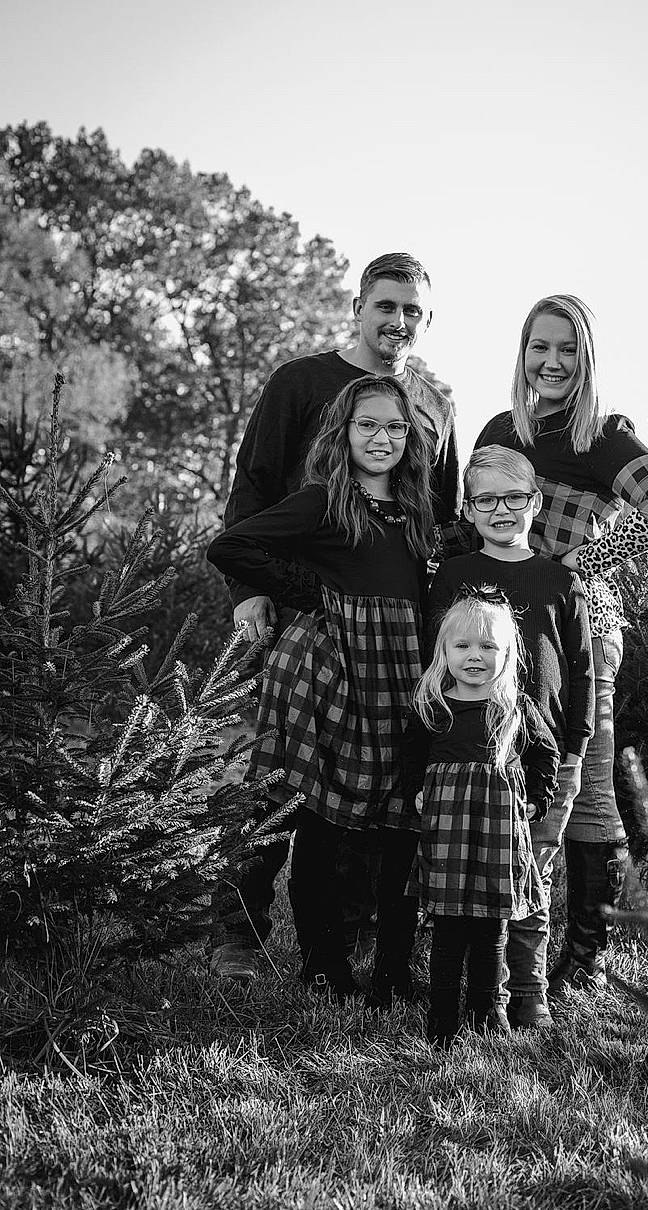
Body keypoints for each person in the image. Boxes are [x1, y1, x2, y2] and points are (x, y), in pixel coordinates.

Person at [212, 252, 460, 980]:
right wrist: (249, 591)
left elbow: (434, 518)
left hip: (392, 630)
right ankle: (240, 934)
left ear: (428, 320)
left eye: (413, 310)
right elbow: (253, 485)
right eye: (386, 305)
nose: (398, 321)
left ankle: (339, 940)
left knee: (367, 785)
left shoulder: (434, 404)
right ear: (358, 307)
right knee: (276, 780)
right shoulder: (302, 381)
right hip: (300, 617)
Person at [472, 295, 648, 992]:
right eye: (541, 347)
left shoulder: (605, 434)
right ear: (523, 353)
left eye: (567, 349)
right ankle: (494, 933)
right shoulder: (504, 427)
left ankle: (585, 956)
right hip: (506, 627)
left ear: (586, 356)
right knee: (505, 772)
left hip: (583, 628)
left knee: (585, 787)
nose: (553, 362)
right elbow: (476, 512)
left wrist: (582, 563)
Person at [427, 445, 594, 1028]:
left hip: (540, 756)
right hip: (469, 764)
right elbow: (438, 660)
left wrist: (574, 751)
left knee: (532, 877)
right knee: (473, 883)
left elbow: (582, 671)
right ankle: (482, 996)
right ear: (469, 511)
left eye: (514, 498)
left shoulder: (559, 580)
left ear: (535, 503)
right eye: (486, 500)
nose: (501, 510)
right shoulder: (453, 577)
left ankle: (529, 995)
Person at [403, 588, 560, 1048]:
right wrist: (415, 789)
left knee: (493, 926)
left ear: (507, 654)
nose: (475, 656)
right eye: (463, 646)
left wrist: (538, 798)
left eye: (488, 646)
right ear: (444, 652)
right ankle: (442, 1019)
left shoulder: (516, 709)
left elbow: (546, 755)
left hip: (498, 829)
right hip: (448, 828)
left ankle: (488, 1013)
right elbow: (411, 754)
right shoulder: (433, 708)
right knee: (449, 927)